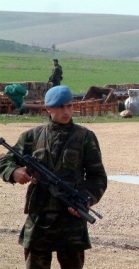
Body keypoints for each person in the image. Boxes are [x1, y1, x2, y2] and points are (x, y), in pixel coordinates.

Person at [0, 85, 107, 269]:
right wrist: (15, 172)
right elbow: (5, 162)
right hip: (39, 220)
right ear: (48, 109)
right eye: (60, 107)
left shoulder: (85, 138)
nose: (67, 112)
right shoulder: (32, 136)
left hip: (71, 222)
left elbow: (98, 178)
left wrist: (85, 199)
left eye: (69, 106)